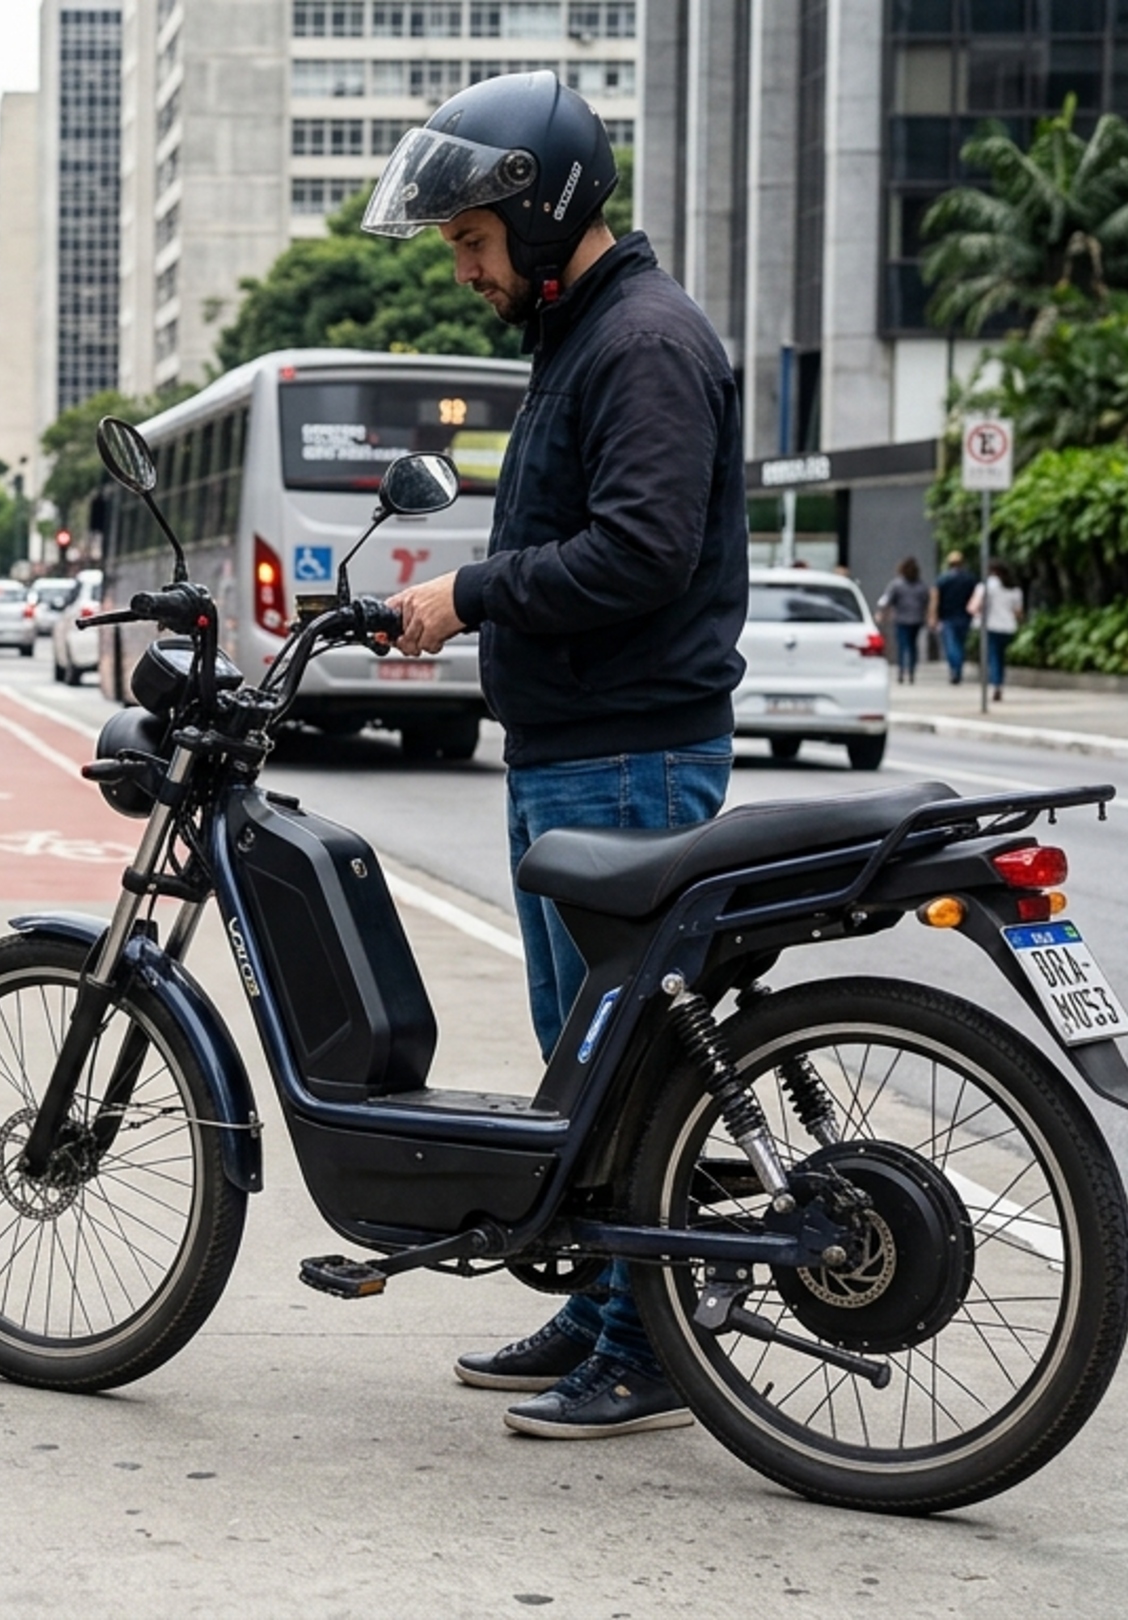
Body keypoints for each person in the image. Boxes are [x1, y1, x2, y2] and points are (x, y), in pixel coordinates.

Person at [368, 70, 746, 1439]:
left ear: (545, 213)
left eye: (473, 240)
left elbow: (643, 551)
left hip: (630, 759)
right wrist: (477, 590)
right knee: (579, 1056)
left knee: (626, 1064)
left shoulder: (640, 341)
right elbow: (580, 537)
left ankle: (651, 1337)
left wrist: (469, 596)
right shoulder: (580, 335)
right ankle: (603, 1300)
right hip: (578, 753)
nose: (463, 268)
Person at [967, 559, 1025, 701]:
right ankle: (999, 683)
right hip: (1008, 627)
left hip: (991, 626)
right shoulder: (1014, 589)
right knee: (1000, 656)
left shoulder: (985, 586)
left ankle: (995, 684)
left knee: (993, 657)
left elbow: (973, 607)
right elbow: (1018, 612)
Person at [876, 557, 930, 684]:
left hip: (901, 619)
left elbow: (887, 600)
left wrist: (882, 613)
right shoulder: (921, 585)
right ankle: (911, 671)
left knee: (902, 646)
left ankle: (901, 671)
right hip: (916, 619)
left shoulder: (896, 584)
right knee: (912, 646)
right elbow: (926, 601)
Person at [934, 550, 978, 685]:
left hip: (947, 617)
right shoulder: (970, 579)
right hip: (965, 616)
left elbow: (935, 599)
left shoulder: (943, 579)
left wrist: (934, 616)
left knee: (951, 645)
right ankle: (957, 669)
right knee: (960, 643)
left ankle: (955, 668)